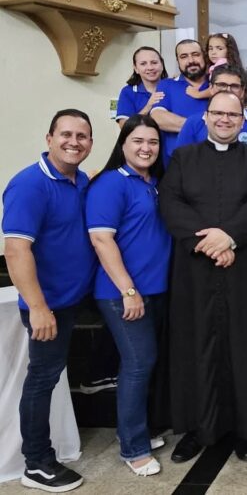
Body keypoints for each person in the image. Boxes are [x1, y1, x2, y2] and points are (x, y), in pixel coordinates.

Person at [159, 91, 247, 464]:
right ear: (205, 117)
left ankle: (246, 430)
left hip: (244, 267)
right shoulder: (183, 158)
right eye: (217, 113)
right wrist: (209, 241)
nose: (223, 120)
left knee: (243, 344)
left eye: (231, 115)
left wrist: (229, 237)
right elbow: (170, 203)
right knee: (195, 344)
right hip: (196, 268)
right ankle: (197, 429)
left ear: (242, 120)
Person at [2, 109, 97, 492]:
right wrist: (38, 307)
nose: (74, 142)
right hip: (48, 305)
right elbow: (15, 250)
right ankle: (37, 463)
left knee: (53, 375)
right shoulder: (29, 185)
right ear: (49, 138)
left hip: (75, 299)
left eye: (82, 136)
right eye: (66, 135)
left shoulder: (81, 179)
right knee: (42, 379)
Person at [85, 114, 171, 477]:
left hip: (157, 289)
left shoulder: (153, 182)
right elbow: (101, 239)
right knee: (137, 365)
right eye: (138, 141)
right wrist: (129, 290)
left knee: (148, 364)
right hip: (123, 294)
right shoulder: (110, 183)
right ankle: (132, 447)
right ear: (123, 145)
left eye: (152, 142)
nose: (146, 148)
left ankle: (143, 430)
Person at [176, 64, 247, 153]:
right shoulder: (193, 123)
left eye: (234, 86)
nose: (228, 90)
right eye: (221, 85)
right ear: (211, 88)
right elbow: (181, 161)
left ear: (243, 91)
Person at [150, 39, 209, 165]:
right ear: (178, 61)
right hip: (179, 164)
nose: (191, 60)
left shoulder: (217, 83)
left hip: (217, 161)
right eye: (184, 57)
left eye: (195, 54)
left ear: (204, 56)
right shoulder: (167, 85)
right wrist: (202, 128)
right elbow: (158, 117)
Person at [184, 32, 246, 101]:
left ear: (229, 50)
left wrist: (198, 94)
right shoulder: (216, 66)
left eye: (219, 49)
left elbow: (216, 89)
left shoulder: (224, 67)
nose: (213, 52)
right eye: (210, 48)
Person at [115, 46, 168, 126]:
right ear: (136, 68)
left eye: (154, 62)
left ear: (162, 65)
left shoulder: (173, 87)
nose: (150, 67)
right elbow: (124, 126)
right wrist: (148, 107)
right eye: (143, 64)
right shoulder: (128, 92)